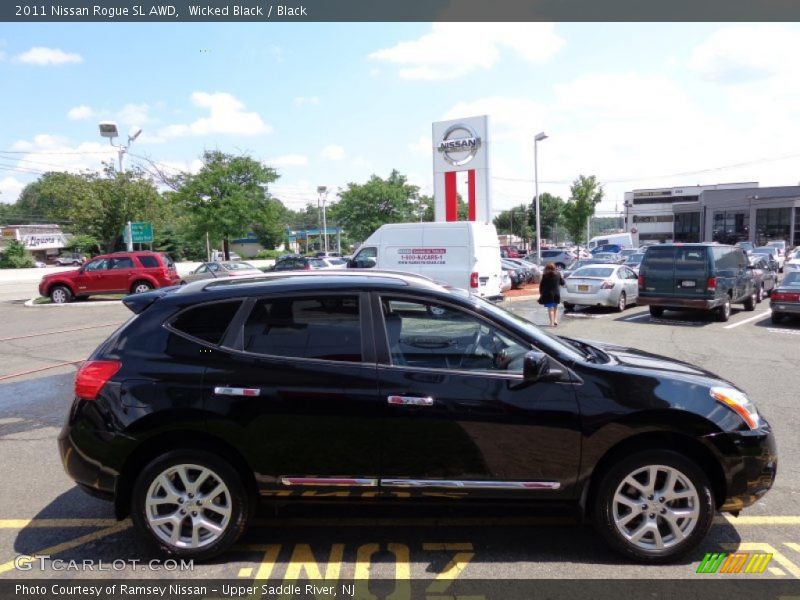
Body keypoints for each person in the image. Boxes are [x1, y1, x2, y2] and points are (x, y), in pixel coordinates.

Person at [538, 262, 565, 327]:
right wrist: (562, 277)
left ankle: (551, 323)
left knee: (550, 309)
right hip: (556, 294)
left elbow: (541, 286)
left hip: (548, 295)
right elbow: (562, 283)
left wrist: (541, 293)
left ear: (548, 269)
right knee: (555, 308)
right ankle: (555, 320)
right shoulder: (558, 274)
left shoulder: (545, 276)